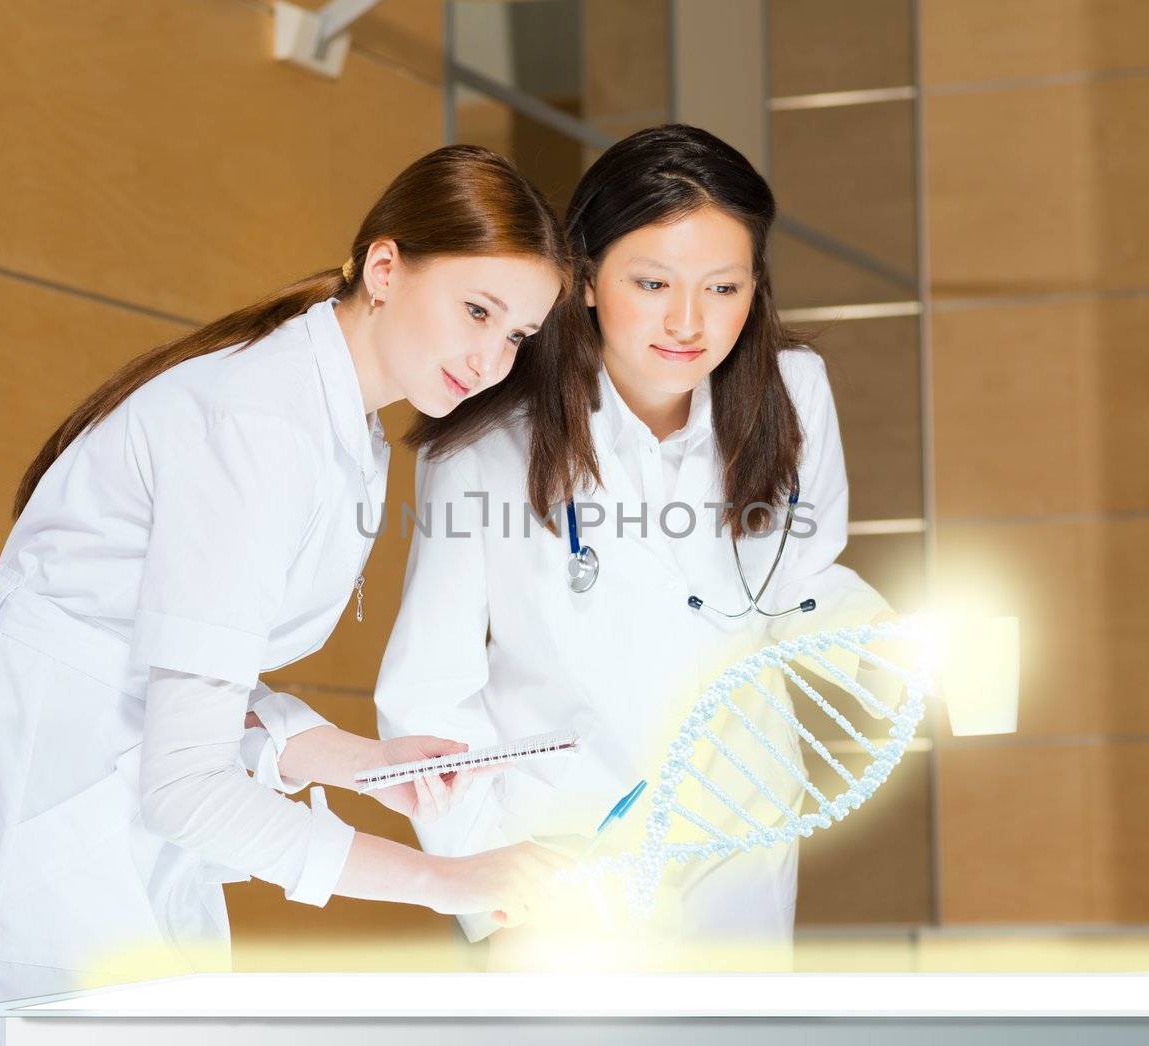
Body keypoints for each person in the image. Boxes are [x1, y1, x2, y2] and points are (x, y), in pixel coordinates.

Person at [0, 144, 572, 1045]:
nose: (491, 357)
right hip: (40, 785)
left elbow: (188, 672)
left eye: (517, 335)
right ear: (385, 267)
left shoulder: (334, 417)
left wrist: (351, 759)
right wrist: (451, 881)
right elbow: (184, 785)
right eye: (477, 309)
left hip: (91, 784)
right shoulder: (266, 423)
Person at [374, 125, 895, 966]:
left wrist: (890, 652)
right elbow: (428, 696)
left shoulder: (793, 396)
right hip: (562, 865)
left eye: (723, 287)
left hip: (738, 846)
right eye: (651, 283)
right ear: (584, 282)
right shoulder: (483, 448)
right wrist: (489, 885)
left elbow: (799, 581)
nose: (688, 322)